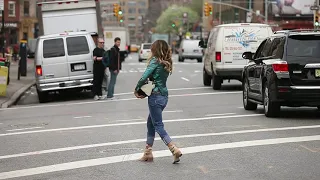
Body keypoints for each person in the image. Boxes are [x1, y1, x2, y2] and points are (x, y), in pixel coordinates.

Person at [134, 40, 182, 164]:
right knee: (151, 123)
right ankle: (147, 153)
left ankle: (173, 149)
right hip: (164, 96)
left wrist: (137, 89)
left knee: (158, 125)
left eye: (152, 48)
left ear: (156, 49)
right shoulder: (167, 62)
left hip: (155, 96)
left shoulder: (155, 61)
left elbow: (144, 77)